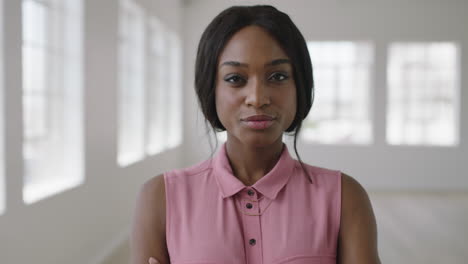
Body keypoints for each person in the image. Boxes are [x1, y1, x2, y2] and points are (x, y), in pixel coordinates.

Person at [131, 5, 381, 264]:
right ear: (210, 89)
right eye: (235, 79)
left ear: (301, 86)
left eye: (278, 76)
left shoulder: (345, 198)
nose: (258, 98)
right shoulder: (160, 198)